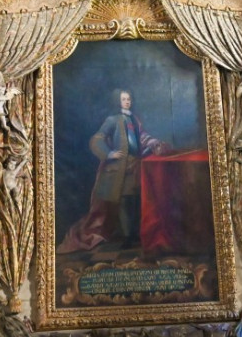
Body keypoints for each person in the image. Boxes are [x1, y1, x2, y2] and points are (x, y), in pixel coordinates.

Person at [57, 89, 169, 252]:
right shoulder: (112, 120)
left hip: (134, 166)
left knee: (134, 199)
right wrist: (109, 153)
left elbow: (143, 136)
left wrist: (153, 142)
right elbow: (97, 139)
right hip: (117, 169)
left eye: (129, 98)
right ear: (118, 101)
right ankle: (126, 237)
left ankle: (135, 234)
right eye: (124, 99)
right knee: (123, 201)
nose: (127, 101)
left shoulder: (134, 119)